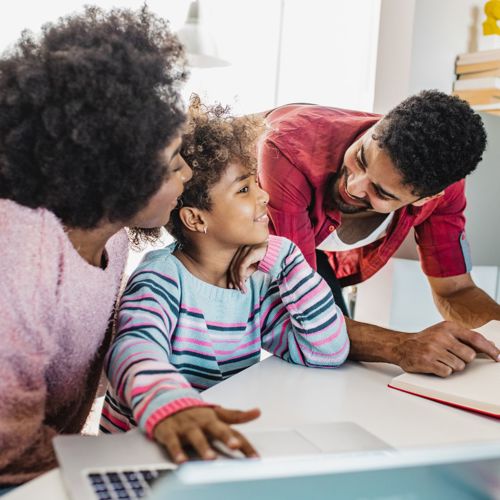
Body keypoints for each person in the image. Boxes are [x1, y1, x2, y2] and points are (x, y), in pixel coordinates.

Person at [0, 7, 193, 488]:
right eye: (173, 164)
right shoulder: (21, 249)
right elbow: (7, 446)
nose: (188, 172)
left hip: (46, 470)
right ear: (117, 175)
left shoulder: (118, 244)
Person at [100, 98, 350, 463]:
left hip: (208, 449)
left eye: (257, 184)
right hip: (140, 452)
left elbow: (326, 351)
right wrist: (172, 406)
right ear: (195, 219)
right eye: (244, 190)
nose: (264, 196)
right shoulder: (162, 279)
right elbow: (132, 349)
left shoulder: (256, 280)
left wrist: (288, 258)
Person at [257, 91, 500, 378]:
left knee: (335, 366)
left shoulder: (443, 191)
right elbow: (304, 312)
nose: (355, 187)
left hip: (303, 259)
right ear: (378, 125)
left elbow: (456, 290)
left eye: (381, 192)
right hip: (208, 236)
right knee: (317, 346)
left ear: (426, 198)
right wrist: (401, 346)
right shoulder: (288, 151)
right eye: (360, 158)